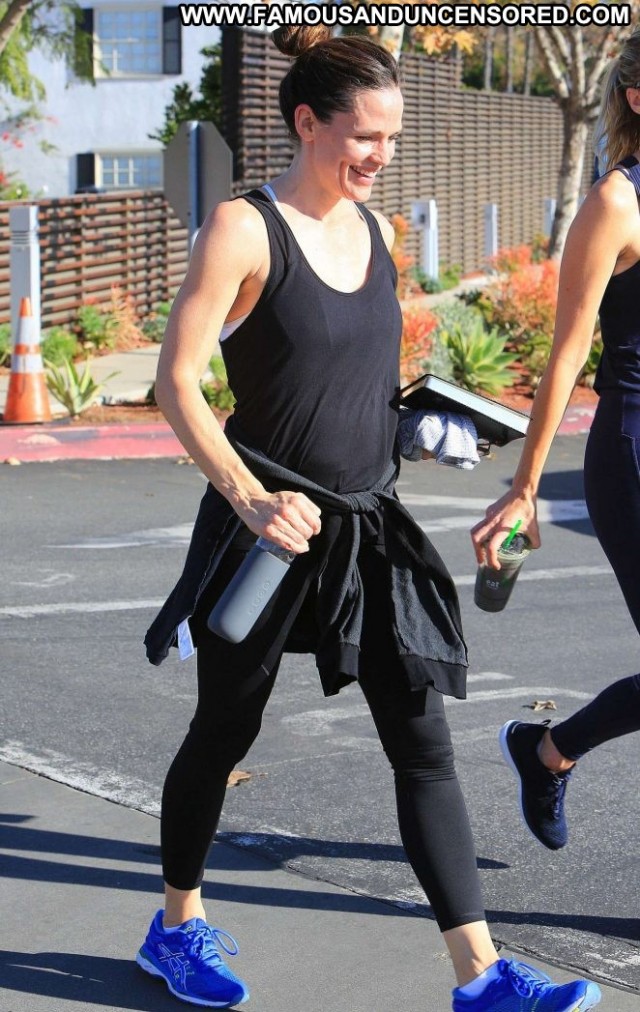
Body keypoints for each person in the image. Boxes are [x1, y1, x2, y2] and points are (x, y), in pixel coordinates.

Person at [137, 25, 601, 1012]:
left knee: (423, 741)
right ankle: (175, 925)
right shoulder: (242, 229)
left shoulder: (380, 234)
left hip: (367, 527)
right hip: (265, 529)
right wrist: (249, 496)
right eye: (364, 136)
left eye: (391, 138)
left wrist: (425, 428)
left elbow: (354, 383)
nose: (380, 155)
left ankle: (480, 975)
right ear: (307, 123)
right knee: (224, 729)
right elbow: (175, 382)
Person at [471, 25, 640, 855]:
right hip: (634, 447)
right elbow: (567, 353)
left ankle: (547, 751)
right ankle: (547, 753)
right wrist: (526, 487)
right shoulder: (618, 202)